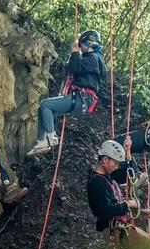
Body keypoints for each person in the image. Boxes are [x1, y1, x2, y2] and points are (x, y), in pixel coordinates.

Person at [27, 29, 107, 157]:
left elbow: (74, 67)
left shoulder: (93, 58)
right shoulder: (97, 61)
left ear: (87, 44)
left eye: (81, 46)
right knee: (45, 110)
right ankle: (42, 141)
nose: (80, 48)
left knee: (45, 105)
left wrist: (75, 53)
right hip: (83, 100)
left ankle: (49, 138)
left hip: (81, 98)